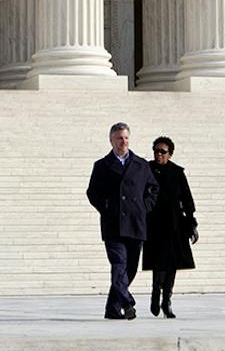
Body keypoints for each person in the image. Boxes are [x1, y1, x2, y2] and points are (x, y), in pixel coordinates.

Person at [85, 121, 156, 320]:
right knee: (119, 265)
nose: (123, 142)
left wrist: (144, 208)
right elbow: (92, 192)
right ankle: (127, 302)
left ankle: (112, 308)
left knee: (130, 269)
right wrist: (106, 208)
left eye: (125, 138)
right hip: (113, 225)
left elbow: (153, 189)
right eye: (119, 138)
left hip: (136, 223)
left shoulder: (141, 164)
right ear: (111, 141)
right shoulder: (102, 166)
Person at [141, 136, 197, 318]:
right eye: (156, 150)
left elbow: (187, 200)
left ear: (170, 154)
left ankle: (167, 300)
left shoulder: (177, 173)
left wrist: (192, 224)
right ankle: (155, 293)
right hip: (154, 224)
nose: (158, 154)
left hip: (174, 225)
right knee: (158, 262)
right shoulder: (147, 170)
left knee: (172, 263)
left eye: (162, 151)